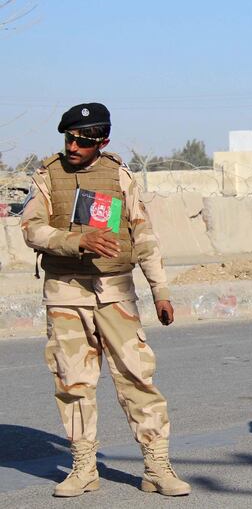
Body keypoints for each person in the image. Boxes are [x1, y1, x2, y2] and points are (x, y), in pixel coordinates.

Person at [21, 103, 191, 498]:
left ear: (103, 141)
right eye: (69, 138)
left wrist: (160, 290)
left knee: (136, 377)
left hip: (115, 293)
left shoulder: (118, 176)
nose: (73, 146)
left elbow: (144, 235)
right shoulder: (48, 176)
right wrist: (74, 240)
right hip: (66, 294)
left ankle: (156, 466)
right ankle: (83, 467)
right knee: (73, 382)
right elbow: (31, 229)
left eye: (82, 140)